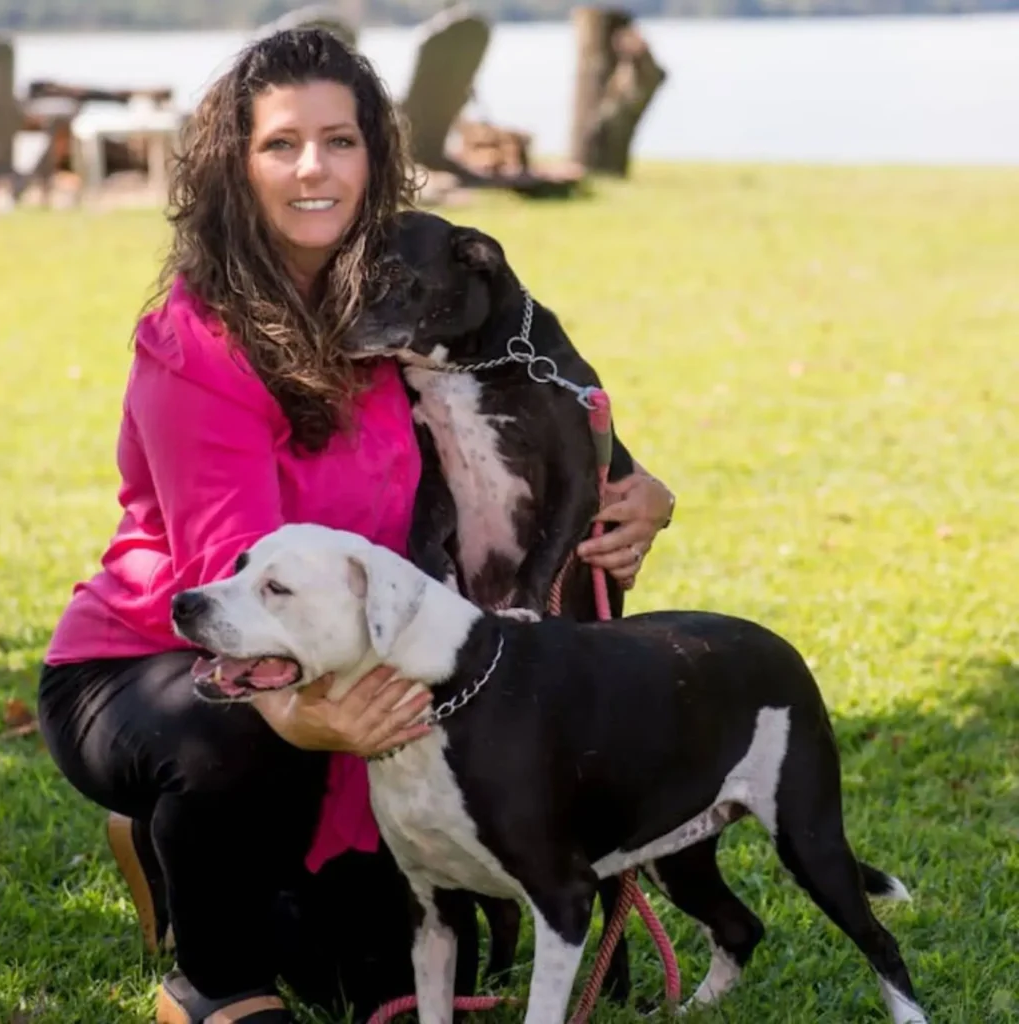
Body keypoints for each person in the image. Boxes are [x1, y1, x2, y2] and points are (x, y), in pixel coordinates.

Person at [36, 27, 677, 1024]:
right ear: (233, 168)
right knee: (232, 742)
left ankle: (198, 851)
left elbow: (533, 387)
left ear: (374, 156)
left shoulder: (393, 311)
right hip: (169, 656)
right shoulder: (194, 340)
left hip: (354, 647)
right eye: (280, 144)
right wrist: (305, 712)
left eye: (340, 140)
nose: (313, 169)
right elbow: (227, 568)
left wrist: (632, 486)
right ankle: (211, 983)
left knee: (371, 965)